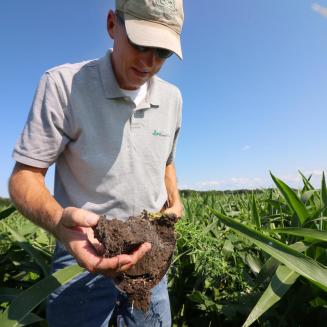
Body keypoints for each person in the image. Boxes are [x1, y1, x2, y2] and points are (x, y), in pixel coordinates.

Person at [8, 0, 184, 326]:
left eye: (163, 53)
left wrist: (175, 199)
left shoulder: (172, 99)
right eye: (141, 43)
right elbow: (24, 178)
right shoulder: (63, 85)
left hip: (150, 257)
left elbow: (166, 161)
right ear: (112, 25)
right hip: (81, 255)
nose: (149, 62)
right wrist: (61, 222)